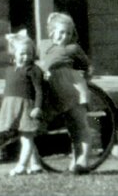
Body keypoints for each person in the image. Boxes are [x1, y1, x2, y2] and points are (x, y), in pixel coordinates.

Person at [38, 12, 94, 174]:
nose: (65, 36)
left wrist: (84, 76)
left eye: (68, 33)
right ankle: (74, 161)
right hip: (53, 90)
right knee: (71, 129)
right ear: (52, 32)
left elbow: (87, 66)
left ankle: (82, 161)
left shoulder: (73, 48)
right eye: (61, 32)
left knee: (79, 125)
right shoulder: (43, 45)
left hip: (72, 88)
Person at [0, 30, 44, 176]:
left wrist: (37, 107)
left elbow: (39, 90)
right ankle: (35, 165)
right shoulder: (10, 70)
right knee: (25, 137)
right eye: (22, 53)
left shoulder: (33, 70)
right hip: (13, 106)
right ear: (14, 53)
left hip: (27, 107)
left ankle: (21, 166)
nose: (26, 57)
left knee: (27, 137)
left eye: (29, 53)